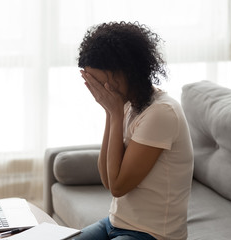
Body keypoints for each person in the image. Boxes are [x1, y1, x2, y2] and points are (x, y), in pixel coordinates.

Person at [75, 21, 194, 240]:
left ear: (126, 73)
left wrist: (115, 112)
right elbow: (107, 178)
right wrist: (110, 113)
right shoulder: (127, 104)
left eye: (99, 83)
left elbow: (118, 187)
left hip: (153, 234)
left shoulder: (161, 112)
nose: (98, 91)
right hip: (115, 223)